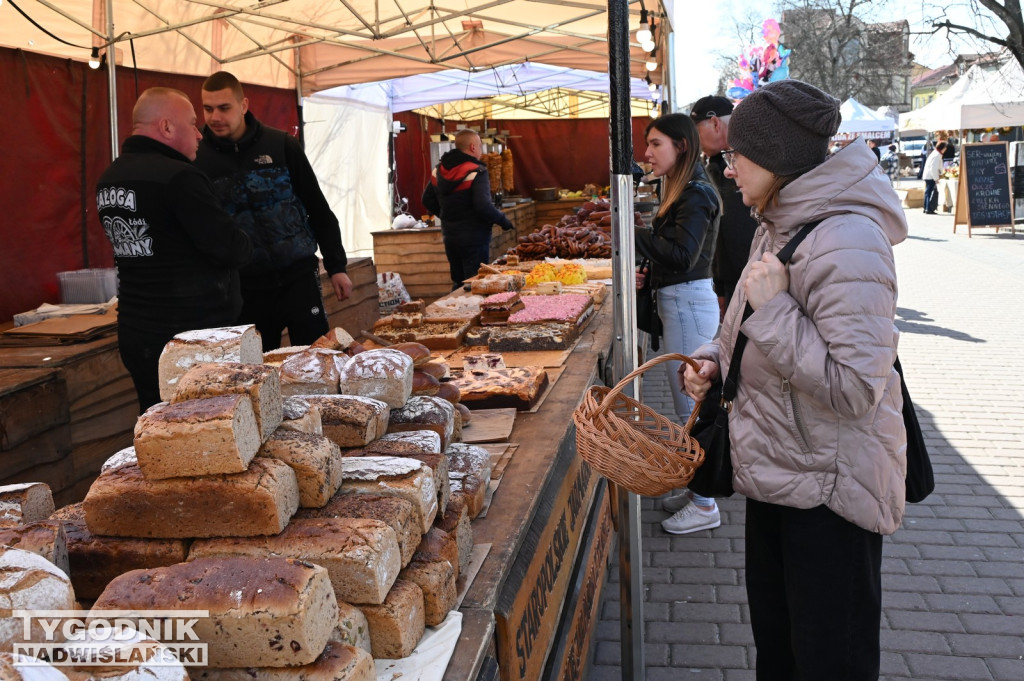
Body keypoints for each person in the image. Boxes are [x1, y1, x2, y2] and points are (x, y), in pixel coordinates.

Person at [681, 79, 907, 680]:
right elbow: (745, 324)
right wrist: (714, 359)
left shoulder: (849, 240)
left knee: (829, 663)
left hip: (830, 495)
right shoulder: (777, 221)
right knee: (780, 657)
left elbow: (856, 390)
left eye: (737, 155)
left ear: (776, 157)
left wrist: (777, 311)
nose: (728, 168)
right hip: (778, 474)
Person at [96, 87, 252, 412]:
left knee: (157, 422)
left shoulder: (110, 178)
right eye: (193, 123)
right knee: (204, 428)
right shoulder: (180, 178)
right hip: (190, 339)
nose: (200, 134)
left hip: (137, 331)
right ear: (166, 127)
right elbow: (230, 248)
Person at [194, 71, 352, 352]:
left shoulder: (280, 145)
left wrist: (336, 265)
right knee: (256, 368)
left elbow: (317, 206)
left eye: (224, 108)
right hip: (244, 287)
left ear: (243, 105)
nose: (215, 117)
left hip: (298, 277)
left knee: (316, 358)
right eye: (208, 109)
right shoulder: (197, 158)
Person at [633, 113, 722, 535]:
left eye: (656, 144)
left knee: (691, 406)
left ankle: (705, 503)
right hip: (681, 302)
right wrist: (649, 271)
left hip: (687, 304)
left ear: (680, 146)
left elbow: (683, 255)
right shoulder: (683, 188)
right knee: (685, 402)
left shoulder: (695, 193)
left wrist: (632, 232)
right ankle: (696, 489)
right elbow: (676, 252)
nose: (647, 153)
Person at [422, 129, 514, 289]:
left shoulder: (439, 170)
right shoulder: (477, 171)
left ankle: (455, 304)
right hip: (475, 237)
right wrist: (504, 221)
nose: (480, 150)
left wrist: (447, 216)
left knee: (459, 282)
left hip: (451, 236)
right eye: (480, 146)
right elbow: (483, 206)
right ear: (472, 147)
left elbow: (427, 200)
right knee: (476, 283)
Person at [923, 141, 948, 214]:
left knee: (928, 192)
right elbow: (933, 168)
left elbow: (938, 166)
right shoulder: (937, 155)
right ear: (942, 148)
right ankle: (928, 208)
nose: (946, 149)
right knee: (930, 193)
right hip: (930, 176)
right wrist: (936, 178)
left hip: (929, 175)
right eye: (945, 147)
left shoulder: (936, 154)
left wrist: (942, 172)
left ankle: (926, 208)